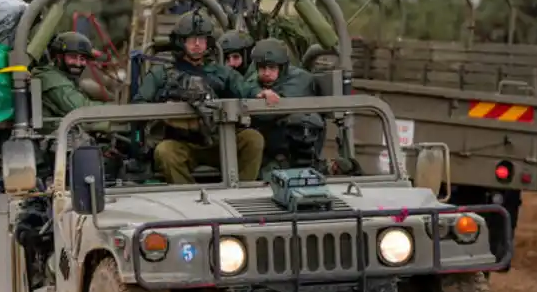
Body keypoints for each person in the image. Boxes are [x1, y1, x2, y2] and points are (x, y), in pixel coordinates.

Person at [133, 10, 277, 184]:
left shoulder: (221, 72)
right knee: (165, 152)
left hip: (219, 140)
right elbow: (139, 103)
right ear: (181, 42)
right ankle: (189, 197)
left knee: (253, 139)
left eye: (201, 39)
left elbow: (245, 89)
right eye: (191, 39)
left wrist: (260, 93)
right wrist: (166, 106)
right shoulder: (161, 74)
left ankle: (240, 191)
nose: (197, 44)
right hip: (182, 143)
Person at [250, 38, 325, 178]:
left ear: (282, 68)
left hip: (294, 153)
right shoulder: (256, 81)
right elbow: (247, 84)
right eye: (262, 68)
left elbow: (266, 113)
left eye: (272, 68)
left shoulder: (300, 80)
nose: (266, 73)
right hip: (267, 153)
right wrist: (256, 92)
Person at [31, 32, 109, 127]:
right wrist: (118, 108)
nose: (78, 63)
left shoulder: (65, 75)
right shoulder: (50, 77)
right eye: (73, 57)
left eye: (83, 59)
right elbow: (81, 110)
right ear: (59, 57)